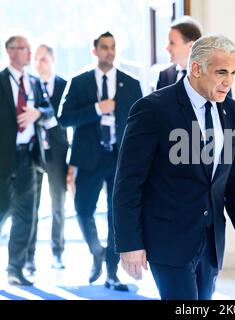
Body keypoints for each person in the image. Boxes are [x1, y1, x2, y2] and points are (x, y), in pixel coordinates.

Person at [113, 34, 235, 300]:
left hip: (211, 240)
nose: (229, 81)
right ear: (196, 69)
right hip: (167, 240)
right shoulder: (152, 109)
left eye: (233, 72)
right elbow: (128, 182)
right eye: (221, 72)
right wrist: (129, 244)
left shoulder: (233, 111)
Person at [59, 31, 142, 291]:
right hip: (89, 158)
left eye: (113, 47)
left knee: (115, 215)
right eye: (104, 47)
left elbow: (140, 123)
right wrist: (97, 109)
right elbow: (64, 118)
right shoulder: (78, 82)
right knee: (83, 210)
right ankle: (96, 251)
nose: (110, 51)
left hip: (120, 158)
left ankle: (112, 271)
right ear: (94, 51)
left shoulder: (131, 83)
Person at [0, 35, 54, 285]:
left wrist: (38, 113)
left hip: (28, 159)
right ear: (10, 51)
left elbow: (50, 110)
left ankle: (15, 269)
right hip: (3, 160)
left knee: (26, 216)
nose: (29, 53)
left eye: (29, 48)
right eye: (24, 49)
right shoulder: (0, 81)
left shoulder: (33, 81)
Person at [24, 44, 68, 273]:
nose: (39, 64)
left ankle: (57, 253)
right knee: (31, 207)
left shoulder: (64, 85)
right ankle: (29, 258)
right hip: (33, 153)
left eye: (43, 59)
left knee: (58, 206)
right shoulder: (29, 85)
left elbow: (63, 119)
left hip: (58, 154)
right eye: (36, 59)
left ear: (53, 60)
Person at [156, 15, 202, 90]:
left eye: (172, 43)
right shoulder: (164, 76)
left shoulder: (209, 76)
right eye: (167, 43)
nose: (167, 48)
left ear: (191, 46)